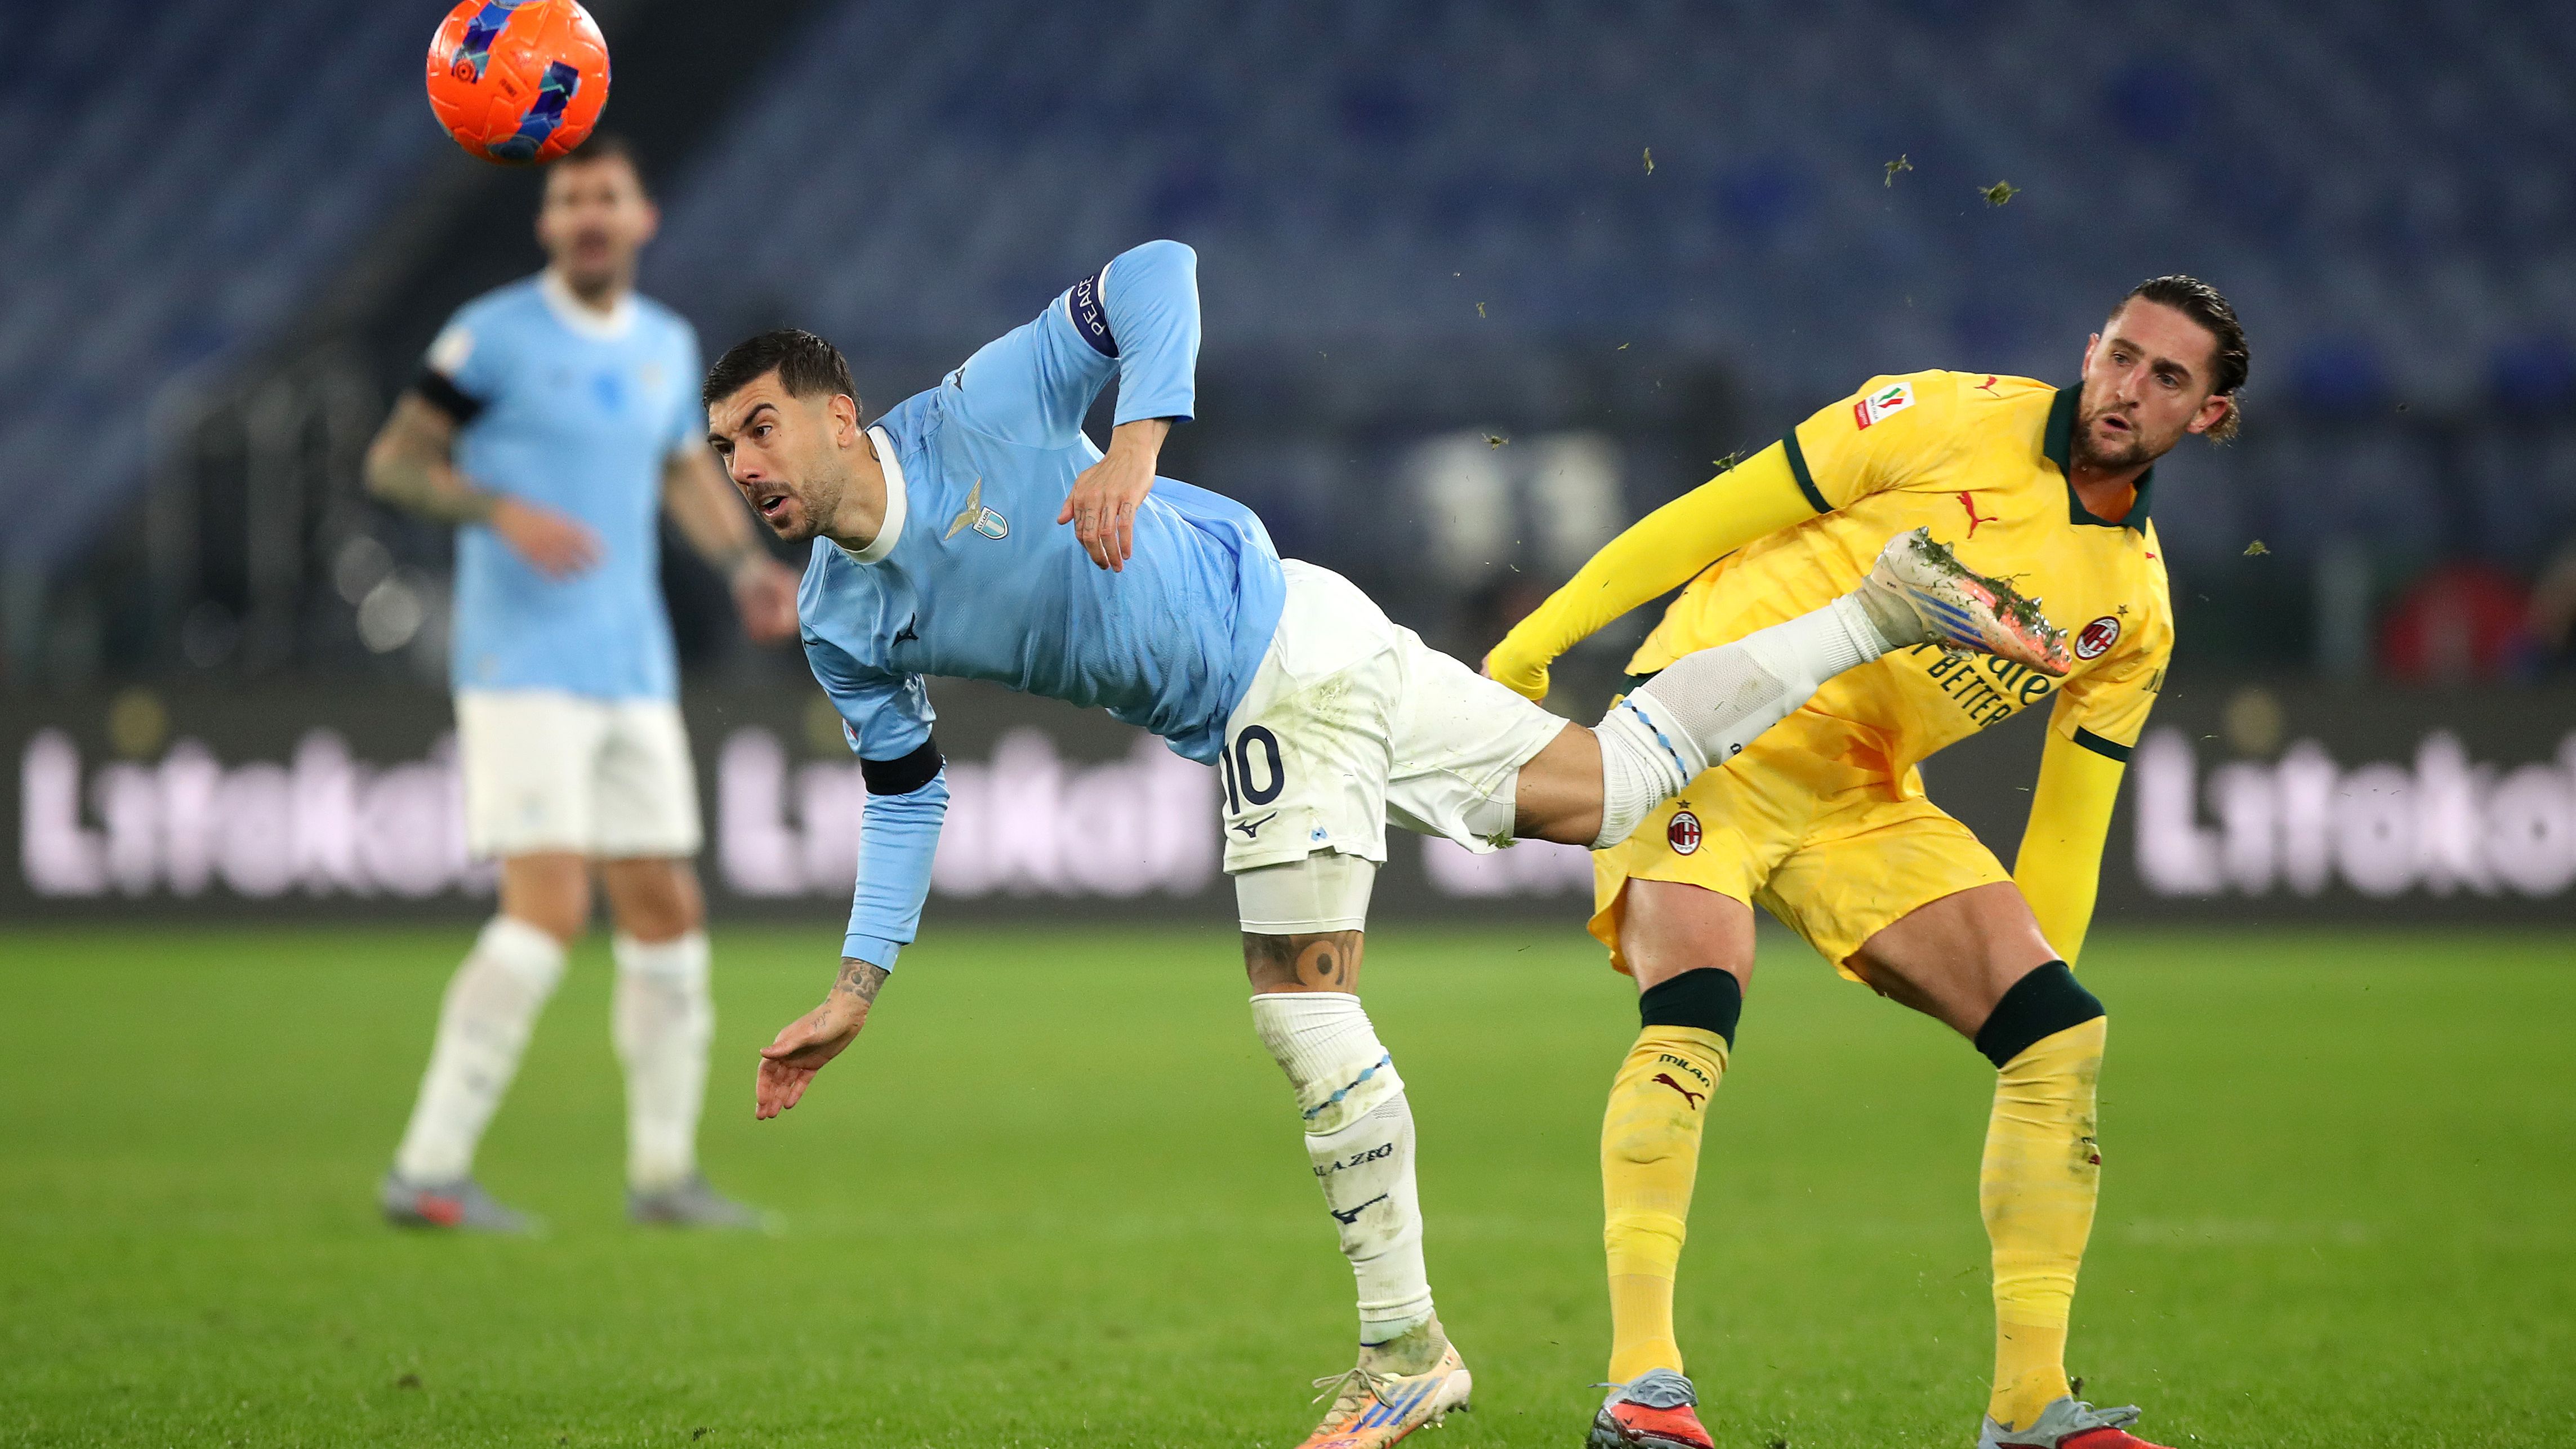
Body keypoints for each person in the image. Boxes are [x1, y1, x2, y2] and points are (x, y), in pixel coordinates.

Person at [700, 238, 2067, 1449]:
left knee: (1305, 1011)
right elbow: (905, 792)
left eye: (760, 431)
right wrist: (854, 986)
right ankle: (1877, 609)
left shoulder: (981, 411)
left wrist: (1133, 446)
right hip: (1312, 632)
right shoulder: (839, 619)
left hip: (1275, 671)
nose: (744, 468)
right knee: (1603, 788)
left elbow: (1158, 270)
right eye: (722, 453)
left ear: (837, 415)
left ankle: (1404, 1353)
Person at [1485, 277, 2249, 1449]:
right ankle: (1642, 1390)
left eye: (2166, 379)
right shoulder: (1940, 415)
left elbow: (2068, 824)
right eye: (2122, 356)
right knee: (1693, 1008)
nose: (2127, 389)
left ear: (2208, 417)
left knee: (2061, 1034)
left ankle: (2029, 1409)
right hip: (1705, 725)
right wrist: (1536, 645)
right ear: (2089, 346)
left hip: (1857, 794)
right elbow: (1712, 516)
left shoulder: (2132, 611)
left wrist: (2015, 1019)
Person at [364, 135, 802, 1232]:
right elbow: (394, 462)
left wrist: (747, 567)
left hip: (632, 670)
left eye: (608, 195)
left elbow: (678, 471)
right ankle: (427, 1169)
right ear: (548, 224)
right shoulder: (492, 337)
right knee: (548, 912)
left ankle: (663, 1177)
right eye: (571, 199)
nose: (590, 214)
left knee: (666, 914)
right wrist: (497, 509)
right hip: (522, 669)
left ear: (642, 218)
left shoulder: (664, 346)